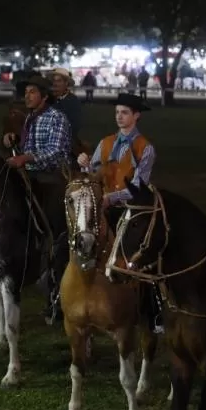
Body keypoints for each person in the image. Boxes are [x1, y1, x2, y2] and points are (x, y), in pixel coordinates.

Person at [77, 92, 161, 332]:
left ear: (136, 116)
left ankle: (152, 310)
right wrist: (82, 163)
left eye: (124, 113)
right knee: (72, 240)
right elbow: (91, 174)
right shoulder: (105, 143)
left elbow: (138, 188)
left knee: (145, 257)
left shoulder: (145, 149)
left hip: (130, 210)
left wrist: (109, 198)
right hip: (102, 205)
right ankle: (59, 295)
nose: (119, 117)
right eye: (117, 113)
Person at [4, 75, 72, 323]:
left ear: (44, 97)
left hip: (51, 180)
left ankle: (56, 291)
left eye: (32, 92)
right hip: (31, 178)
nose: (27, 96)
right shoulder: (30, 119)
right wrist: (14, 144)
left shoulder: (57, 118)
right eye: (26, 92)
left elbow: (55, 152)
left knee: (56, 236)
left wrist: (26, 158)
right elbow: (29, 148)